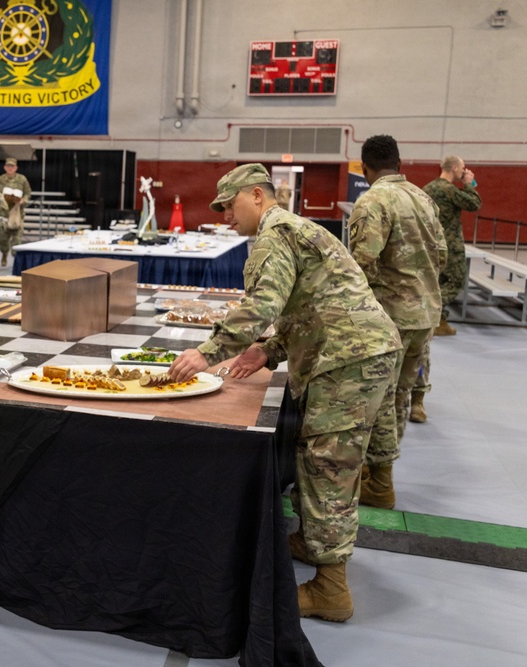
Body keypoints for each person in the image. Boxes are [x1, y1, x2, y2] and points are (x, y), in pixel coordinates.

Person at [168, 164, 401, 622]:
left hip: (348, 359)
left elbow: (263, 305)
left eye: (229, 205)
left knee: (326, 466)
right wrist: (268, 351)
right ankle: (315, 544)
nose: (224, 217)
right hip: (359, 351)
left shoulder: (274, 236)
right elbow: (309, 303)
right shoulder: (297, 228)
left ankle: (332, 590)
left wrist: (208, 351)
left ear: (256, 195)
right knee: (326, 459)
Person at [347, 135, 447, 510]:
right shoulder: (424, 197)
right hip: (425, 314)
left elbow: (361, 264)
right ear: (398, 162)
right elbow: (442, 254)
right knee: (402, 391)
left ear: (365, 167)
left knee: (380, 397)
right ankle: (380, 472)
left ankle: (380, 482)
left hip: (390, 316)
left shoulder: (373, 200)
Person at [423, 155, 482, 336]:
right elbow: (475, 204)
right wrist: (469, 184)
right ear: (454, 168)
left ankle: (439, 321)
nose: (465, 171)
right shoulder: (450, 190)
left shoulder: (427, 188)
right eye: (463, 167)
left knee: (438, 280)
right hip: (450, 244)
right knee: (457, 279)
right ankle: (433, 311)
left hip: (431, 243)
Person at [0, 157, 32, 267]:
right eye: (8, 166)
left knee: (17, 239)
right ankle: (4, 253)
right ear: (5, 167)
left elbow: (28, 193)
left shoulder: (22, 179)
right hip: (4, 214)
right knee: (3, 239)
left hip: (17, 213)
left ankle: (16, 261)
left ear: (16, 168)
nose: (10, 168)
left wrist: (24, 200)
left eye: (12, 166)